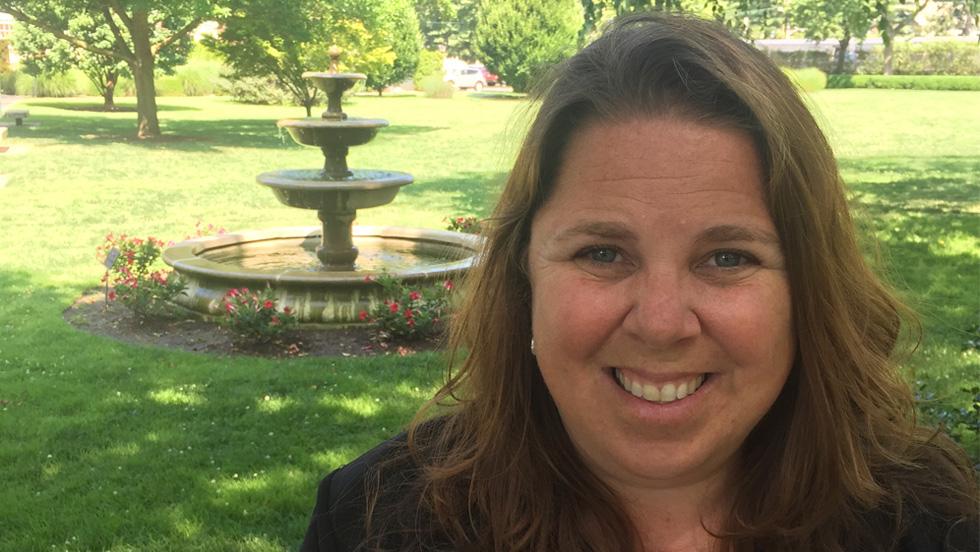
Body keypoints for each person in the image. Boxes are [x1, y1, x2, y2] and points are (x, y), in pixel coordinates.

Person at [299, 12, 979, 552]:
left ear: (809, 290)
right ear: (523, 274)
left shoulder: (934, 524)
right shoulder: (373, 524)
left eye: (728, 259)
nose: (660, 323)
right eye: (602, 253)